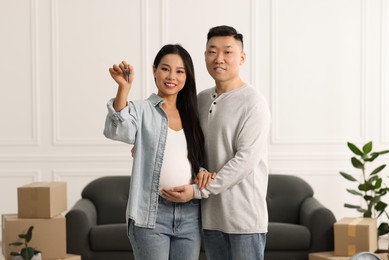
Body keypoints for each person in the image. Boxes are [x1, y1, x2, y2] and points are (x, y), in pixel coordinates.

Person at [161, 25, 271, 260]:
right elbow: (191, 144)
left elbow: (244, 161)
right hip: (210, 219)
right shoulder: (200, 100)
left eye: (227, 52)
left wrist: (198, 191)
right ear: (204, 56)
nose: (218, 58)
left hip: (244, 221)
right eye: (212, 51)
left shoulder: (253, 102)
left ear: (241, 57)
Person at [103, 44, 214, 260]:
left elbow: (197, 156)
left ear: (187, 76)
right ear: (154, 70)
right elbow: (118, 131)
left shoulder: (194, 113)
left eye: (180, 71)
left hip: (190, 213)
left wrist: (202, 171)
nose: (172, 76)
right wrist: (123, 88)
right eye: (165, 68)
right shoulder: (142, 109)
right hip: (151, 214)